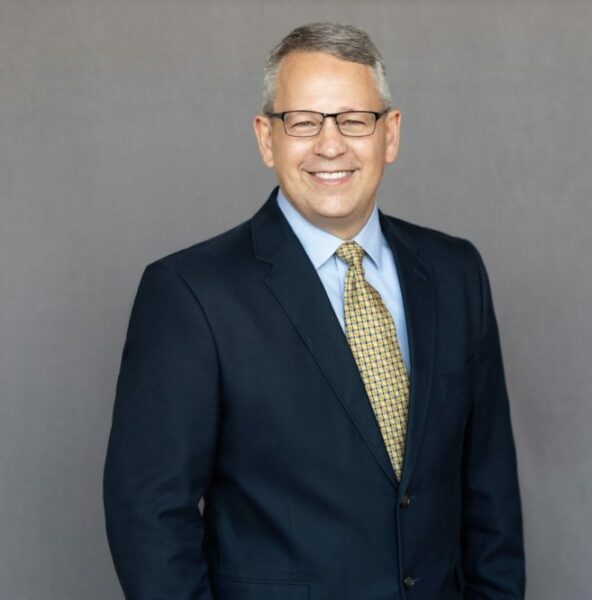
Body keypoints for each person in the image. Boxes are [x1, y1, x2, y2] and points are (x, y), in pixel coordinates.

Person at [103, 22, 525, 600]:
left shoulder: (455, 273)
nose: (330, 145)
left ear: (390, 134)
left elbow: (490, 490)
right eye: (303, 122)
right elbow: (148, 515)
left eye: (354, 120)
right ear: (266, 139)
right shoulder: (189, 294)